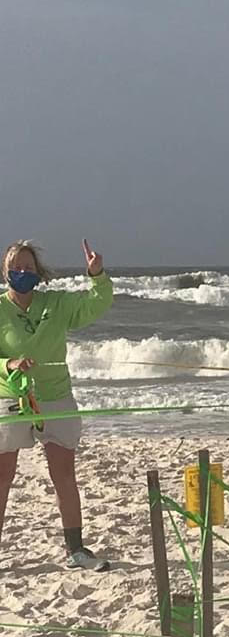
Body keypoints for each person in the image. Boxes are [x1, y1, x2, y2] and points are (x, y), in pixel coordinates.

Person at [0, 239, 114, 570]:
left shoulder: (56, 304)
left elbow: (96, 304)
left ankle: (76, 550)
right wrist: (8, 365)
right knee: (3, 475)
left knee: (63, 472)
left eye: (29, 268)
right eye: (17, 268)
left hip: (55, 395)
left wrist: (97, 275)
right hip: (12, 397)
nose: (23, 272)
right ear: (7, 271)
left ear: (39, 273)